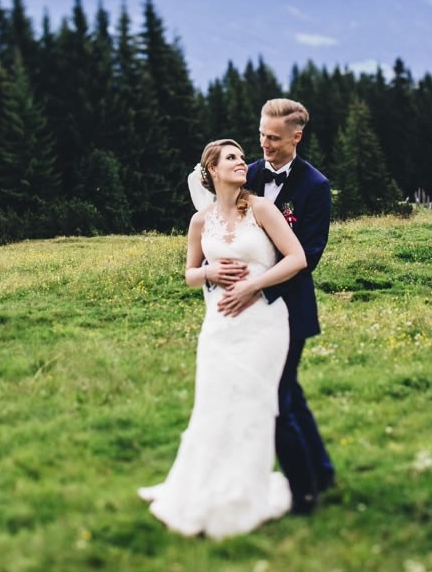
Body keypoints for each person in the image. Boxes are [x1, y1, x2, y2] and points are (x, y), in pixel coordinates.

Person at [139, 138, 308, 539]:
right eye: (230, 158)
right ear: (211, 170)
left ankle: (243, 493)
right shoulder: (201, 220)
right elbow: (190, 273)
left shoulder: (262, 209)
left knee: (252, 404)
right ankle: (204, 487)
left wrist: (255, 286)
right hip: (219, 325)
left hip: (263, 322)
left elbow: (296, 258)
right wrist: (210, 274)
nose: (241, 162)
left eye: (240, 157)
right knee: (213, 406)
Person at [216, 98, 334, 515]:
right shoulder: (244, 176)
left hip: (288, 310)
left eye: (274, 138)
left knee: (276, 399)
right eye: (261, 135)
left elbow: (307, 258)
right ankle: (321, 469)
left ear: (296, 137)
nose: (263, 144)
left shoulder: (315, 187)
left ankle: (304, 492)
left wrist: (256, 290)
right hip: (247, 312)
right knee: (291, 394)